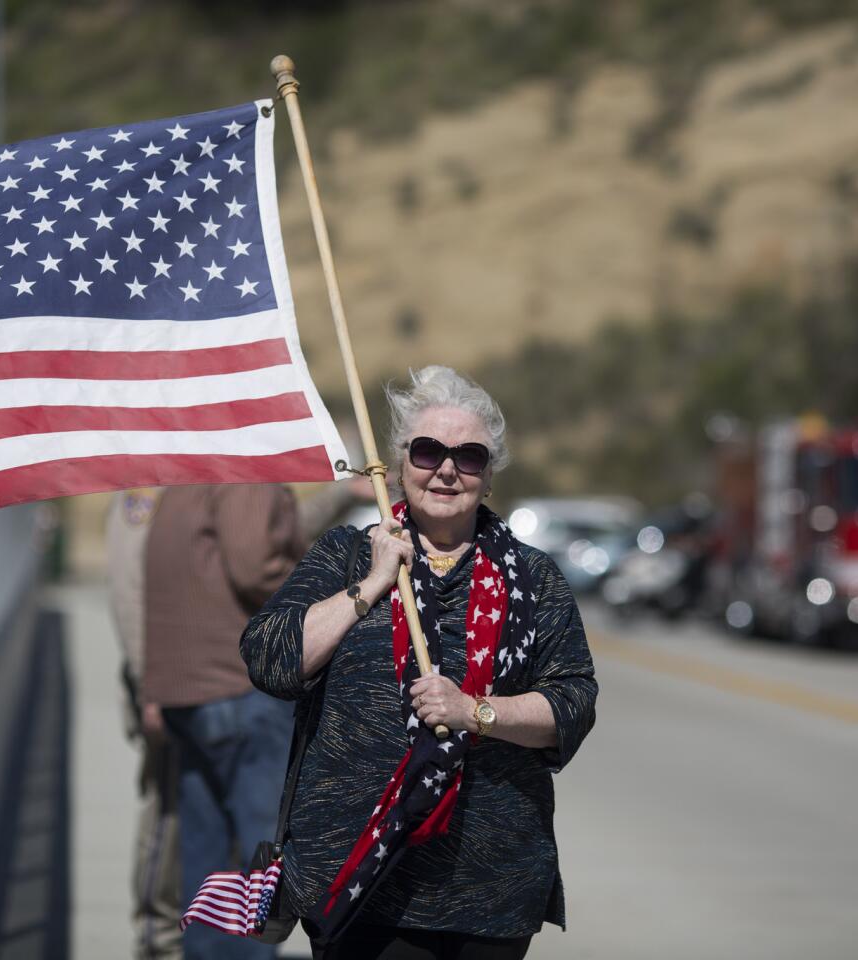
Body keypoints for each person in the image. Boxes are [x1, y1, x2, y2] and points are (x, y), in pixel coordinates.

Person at [241, 366, 598, 960]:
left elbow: (572, 704)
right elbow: (270, 659)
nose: (447, 469)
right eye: (429, 451)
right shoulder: (347, 555)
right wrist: (372, 585)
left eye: (470, 456)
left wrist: (475, 711)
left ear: (490, 473)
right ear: (400, 462)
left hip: (490, 890)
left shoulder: (535, 579)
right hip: (356, 877)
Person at [142, 484, 305, 960]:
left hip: (189, 693)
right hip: (238, 687)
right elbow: (256, 566)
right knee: (259, 868)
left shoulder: (191, 476)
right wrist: (326, 584)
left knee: (205, 859)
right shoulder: (248, 469)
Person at [105, 487, 182, 959]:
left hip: (204, 682)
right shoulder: (149, 485)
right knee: (168, 810)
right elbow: (129, 590)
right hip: (167, 687)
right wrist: (150, 684)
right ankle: (159, 938)